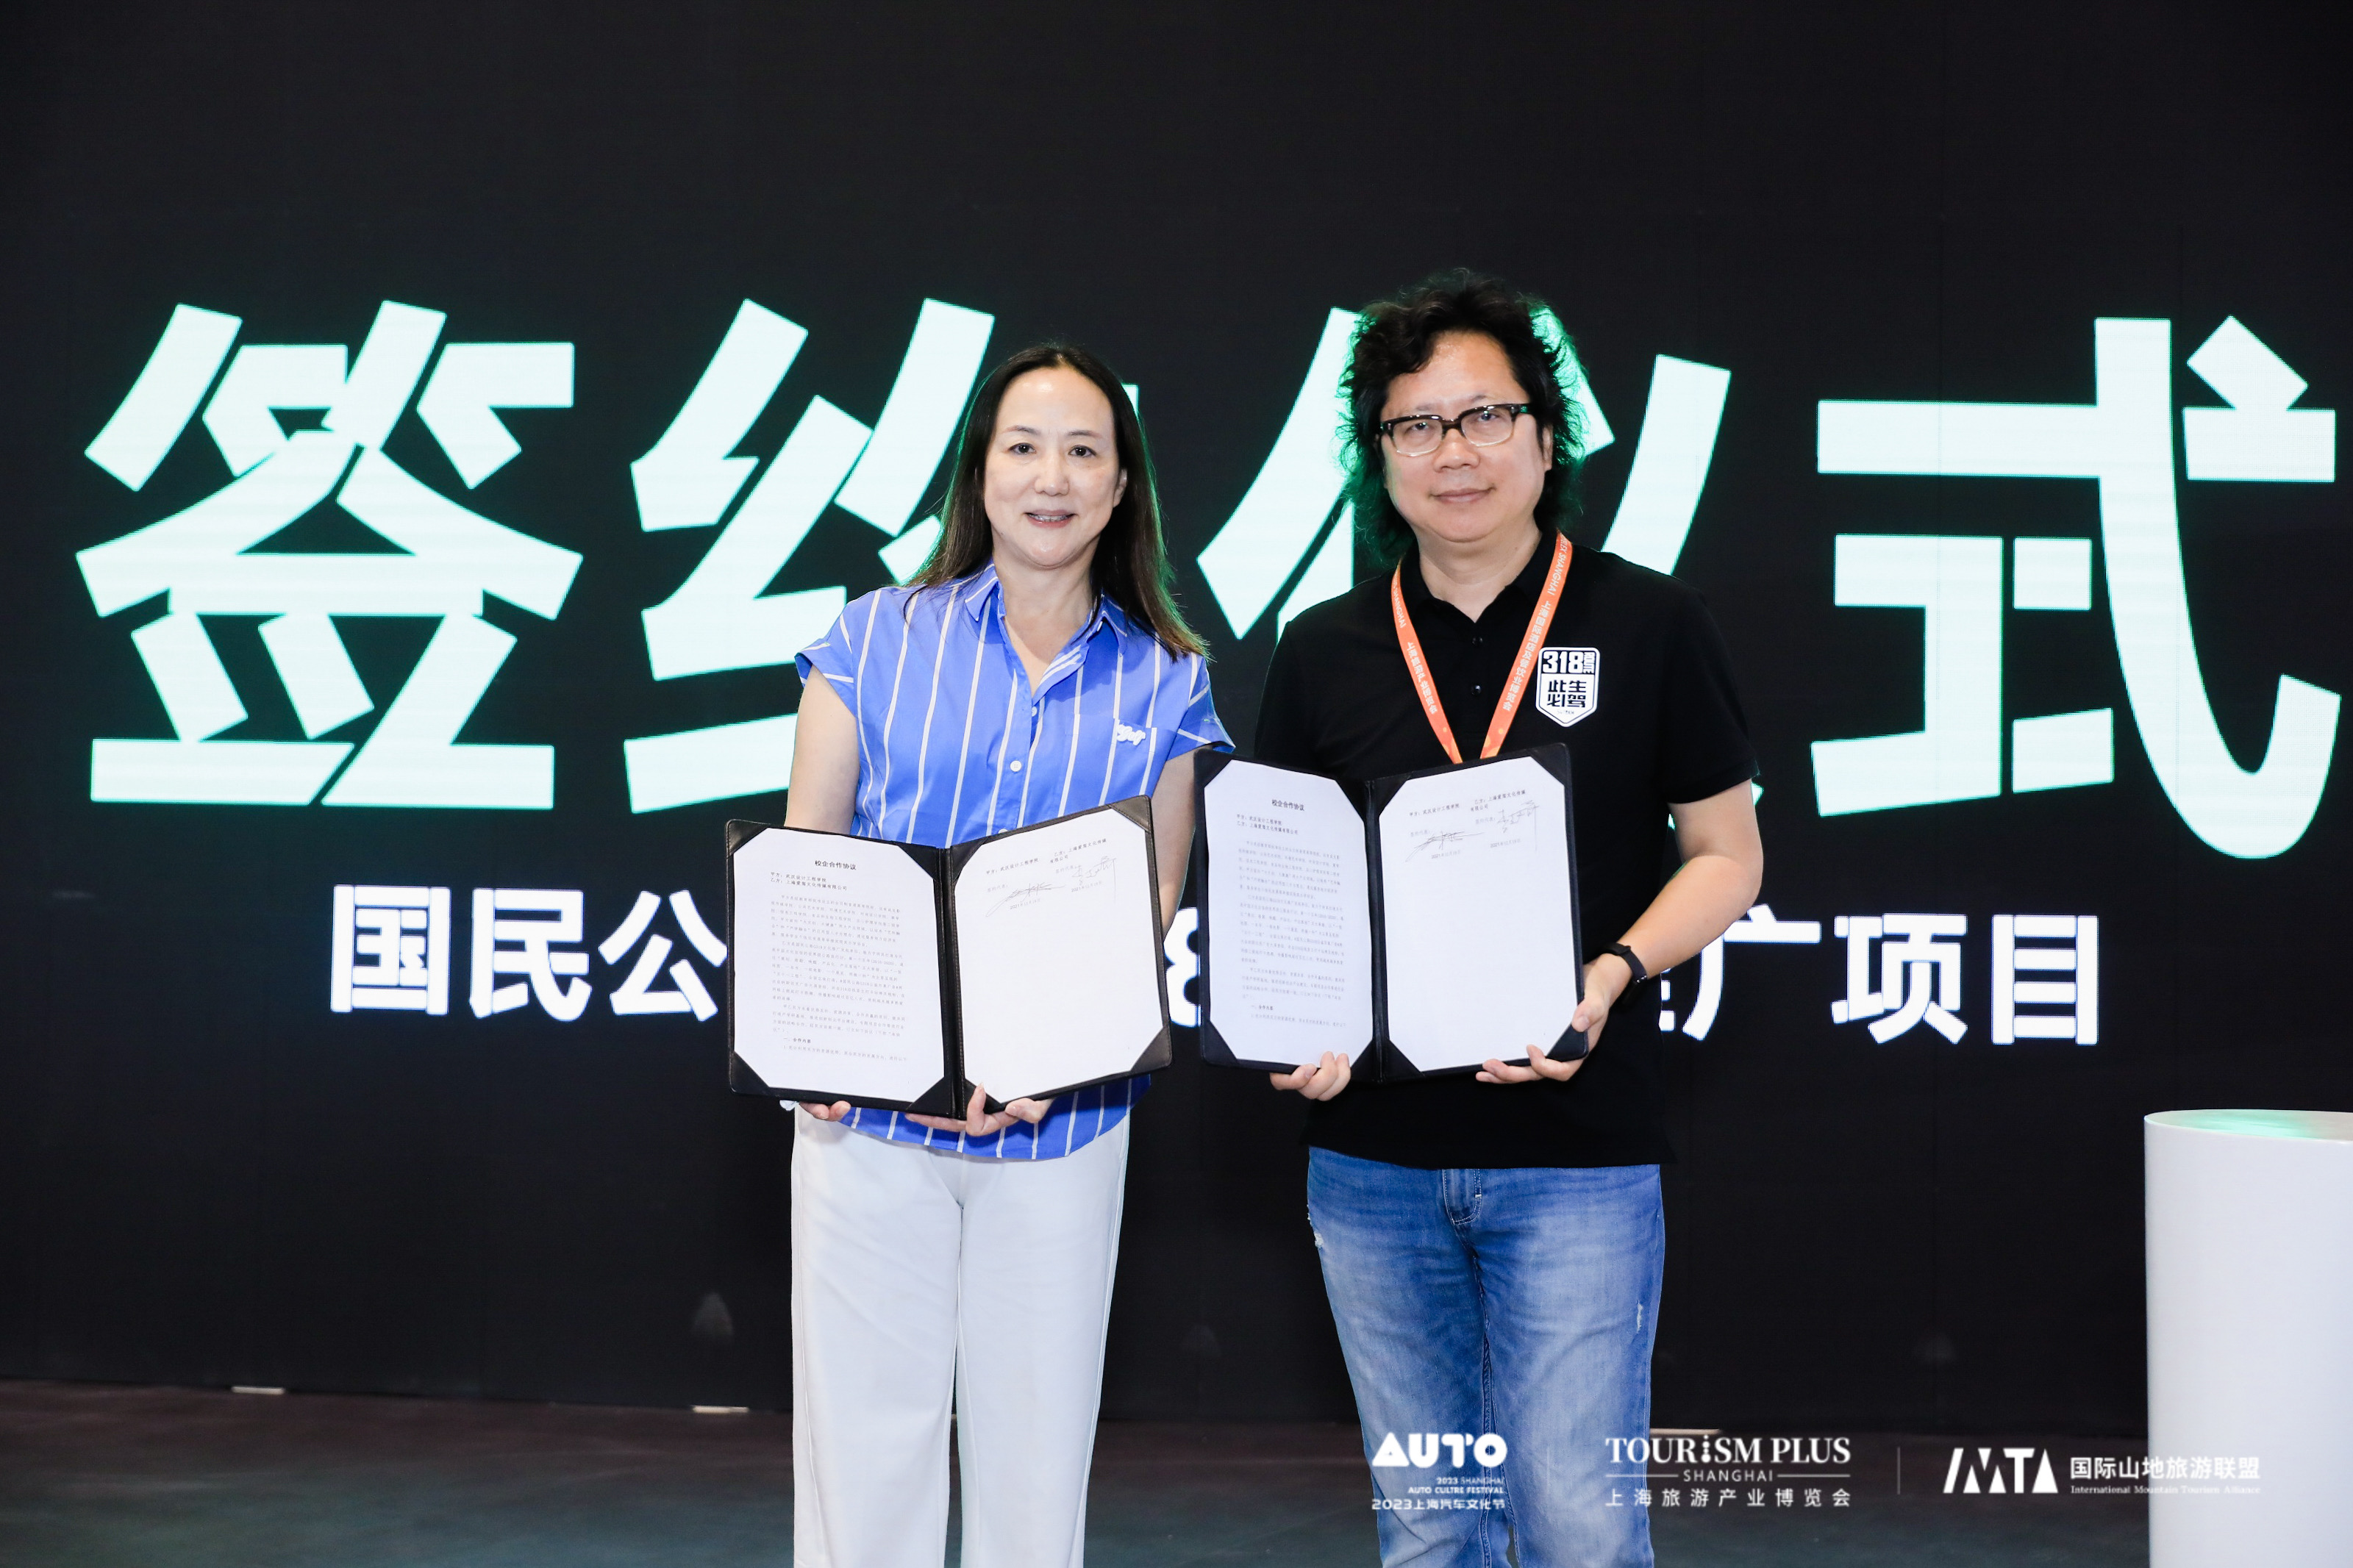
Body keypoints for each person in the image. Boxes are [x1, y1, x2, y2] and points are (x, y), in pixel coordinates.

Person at [1252, 271, 1764, 1567]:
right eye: (1416, 425)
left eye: (1486, 416)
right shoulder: (1322, 648)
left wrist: (1615, 969)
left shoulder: (1652, 622)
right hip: (1372, 1159)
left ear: (1546, 436)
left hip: (1576, 1154)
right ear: (1378, 457)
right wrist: (1295, 1022)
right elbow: (1287, 884)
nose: (1455, 452)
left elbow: (1728, 858)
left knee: (1580, 1529)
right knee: (1431, 1529)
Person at [781, 342, 1227, 1568]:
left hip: (1062, 1129)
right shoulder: (873, 638)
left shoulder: (1167, 676)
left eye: (1084, 451)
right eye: (1023, 447)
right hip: (872, 1124)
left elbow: (1156, 894)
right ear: (979, 472)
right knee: (864, 1467)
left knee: (1035, 1477)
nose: (1052, 477)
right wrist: (824, 1047)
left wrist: (1059, 1053)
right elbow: (810, 860)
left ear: (1122, 486)